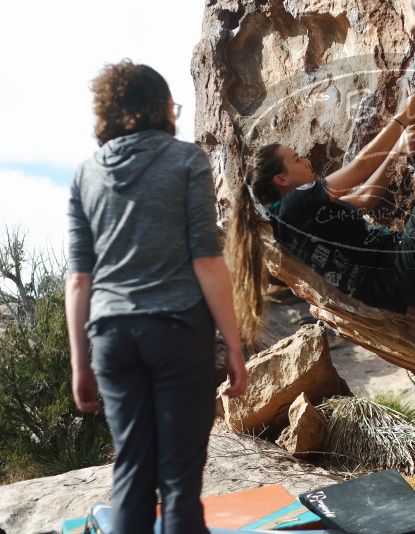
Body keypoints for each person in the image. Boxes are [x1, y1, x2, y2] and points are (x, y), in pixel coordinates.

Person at [65, 59, 247, 534]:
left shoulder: (86, 175)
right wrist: (233, 345)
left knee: (131, 471)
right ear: (162, 108)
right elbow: (207, 261)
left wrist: (80, 364)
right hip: (176, 330)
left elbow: (78, 280)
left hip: (111, 337)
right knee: (179, 480)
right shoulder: (186, 160)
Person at [226, 88, 415, 345]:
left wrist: (396, 152)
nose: (304, 159)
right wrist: (403, 116)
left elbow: (368, 197)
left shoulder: (291, 225)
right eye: (295, 159)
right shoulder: (295, 205)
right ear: (281, 179)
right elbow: (358, 168)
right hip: (408, 268)